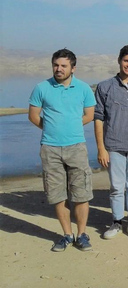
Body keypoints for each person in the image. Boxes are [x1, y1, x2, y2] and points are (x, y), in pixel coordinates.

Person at [28, 48, 96, 251]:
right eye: (56, 65)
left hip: (76, 147)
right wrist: (51, 128)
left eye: (63, 66)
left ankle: (82, 234)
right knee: (57, 194)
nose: (59, 69)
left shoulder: (83, 88)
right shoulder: (41, 87)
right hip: (50, 148)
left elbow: (89, 115)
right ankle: (67, 234)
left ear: (73, 68)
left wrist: (71, 128)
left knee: (81, 193)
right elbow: (33, 116)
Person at [94, 45, 128, 239]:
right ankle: (116, 221)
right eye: (126, 61)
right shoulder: (105, 86)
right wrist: (101, 148)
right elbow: (98, 118)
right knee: (116, 186)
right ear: (119, 60)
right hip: (113, 145)